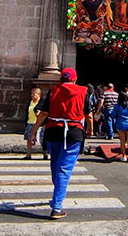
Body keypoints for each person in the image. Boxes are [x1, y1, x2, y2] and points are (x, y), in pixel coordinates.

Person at [30, 68, 93, 219]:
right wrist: (90, 129)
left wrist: (33, 131)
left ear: (61, 78)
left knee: (55, 164)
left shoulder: (53, 91)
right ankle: (57, 207)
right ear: (75, 79)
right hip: (73, 132)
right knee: (64, 169)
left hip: (53, 131)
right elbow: (88, 114)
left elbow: (44, 113)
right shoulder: (84, 92)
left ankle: (57, 193)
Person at [22, 88, 47, 160]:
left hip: (39, 123)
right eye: (32, 94)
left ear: (39, 94)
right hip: (30, 122)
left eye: (34, 94)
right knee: (29, 139)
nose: (32, 95)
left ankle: (45, 154)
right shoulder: (30, 102)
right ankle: (28, 155)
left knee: (42, 139)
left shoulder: (42, 102)